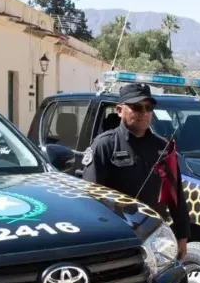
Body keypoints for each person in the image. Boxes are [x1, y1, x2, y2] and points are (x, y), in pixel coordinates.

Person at [81, 82, 190, 260]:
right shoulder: (105, 145)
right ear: (119, 110)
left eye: (148, 107)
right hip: (118, 236)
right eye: (136, 107)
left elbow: (175, 194)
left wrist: (182, 236)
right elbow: (91, 199)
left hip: (156, 236)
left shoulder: (163, 148)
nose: (143, 113)